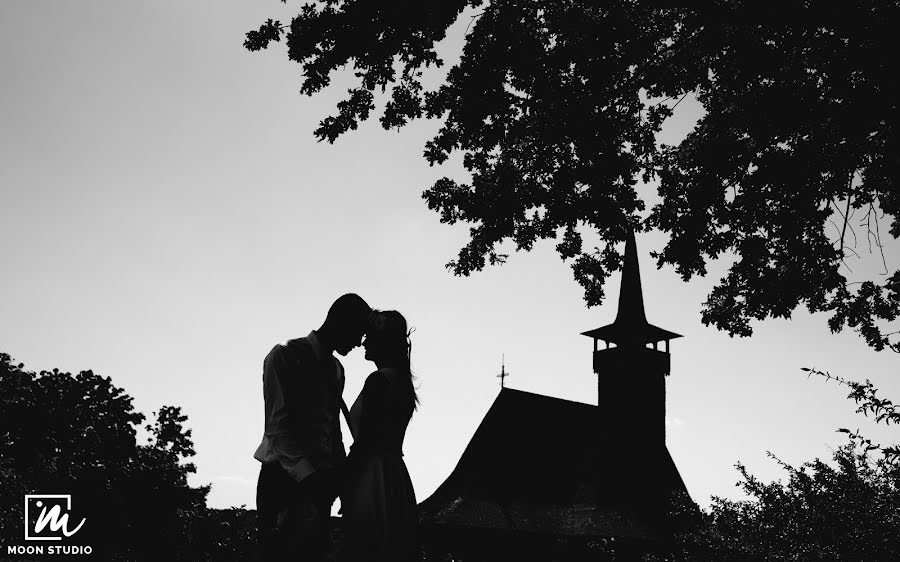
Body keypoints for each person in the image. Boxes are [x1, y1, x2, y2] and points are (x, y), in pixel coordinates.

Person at [254, 293, 372, 561]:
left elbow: (333, 431)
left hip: (321, 486)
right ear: (339, 322)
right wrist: (309, 478)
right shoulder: (283, 356)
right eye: (357, 333)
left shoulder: (337, 370)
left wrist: (340, 482)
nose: (358, 343)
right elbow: (277, 427)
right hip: (281, 481)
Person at [342, 310, 421, 562]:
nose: (364, 342)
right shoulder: (402, 383)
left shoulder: (378, 380)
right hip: (394, 476)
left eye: (370, 336)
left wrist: (344, 481)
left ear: (382, 341)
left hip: (371, 475)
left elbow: (366, 441)